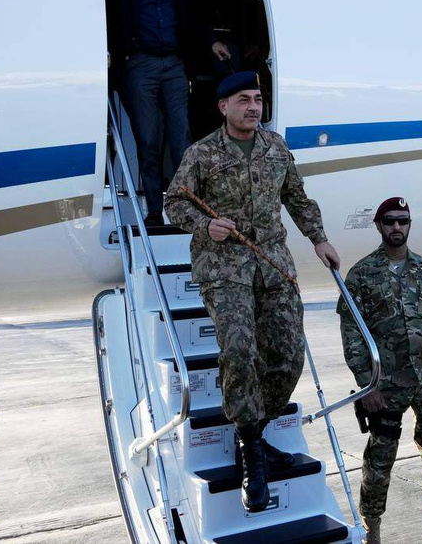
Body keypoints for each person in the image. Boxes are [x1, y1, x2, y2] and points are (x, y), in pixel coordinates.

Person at [164, 71, 340, 513]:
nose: (253, 107)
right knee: (240, 352)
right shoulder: (202, 153)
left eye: (258, 99)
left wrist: (318, 238)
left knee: (287, 355)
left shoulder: (276, 147)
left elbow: (297, 198)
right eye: (243, 99)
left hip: (274, 263)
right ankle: (251, 453)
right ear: (223, 106)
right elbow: (174, 201)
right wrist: (206, 224)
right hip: (224, 266)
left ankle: (253, 433)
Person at [338, 197, 422, 544]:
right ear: (378, 226)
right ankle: (371, 531)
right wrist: (367, 385)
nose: (397, 227)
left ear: (409, 225)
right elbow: (352, 333)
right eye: (390, 221)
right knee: (378, 463)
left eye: (403, 221)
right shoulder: (362, 274)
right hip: (386, 387)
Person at [106, 0, 231, 225]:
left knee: (181, 139)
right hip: (139, 62)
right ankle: (153, 212)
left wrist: (211, 41)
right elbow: (107, 15)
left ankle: (185, 211)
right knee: (148, 140)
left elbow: (194, 19)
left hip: (174, 64)